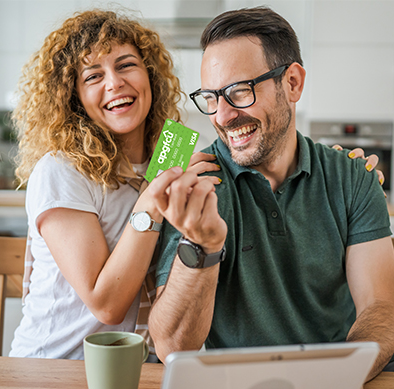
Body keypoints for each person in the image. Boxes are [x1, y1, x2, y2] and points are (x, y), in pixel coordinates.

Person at [147, 7, 394, 382]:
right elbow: (171, 347)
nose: (223, 115)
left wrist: (339, 375)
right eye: (212, 97)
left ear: (293, 82)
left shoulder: (352, 179)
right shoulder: (197, 184)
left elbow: (380, 308)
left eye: (239, 92)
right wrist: (203, 243)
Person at [8, 9, 220, 359]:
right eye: (93, 76)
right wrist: (152, 200)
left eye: (125, 66)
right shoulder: (61, 170)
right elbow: (107, 305)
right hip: (54, 368)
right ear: (73, 96)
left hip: (137, 369)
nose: (114, 83)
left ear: (149, 76)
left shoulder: (170, 153)